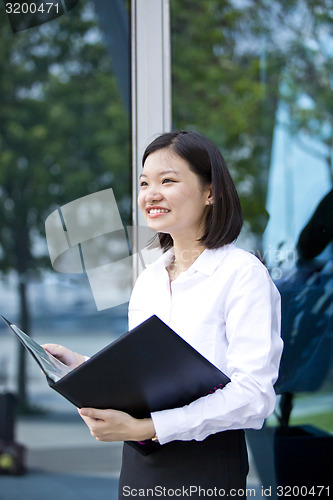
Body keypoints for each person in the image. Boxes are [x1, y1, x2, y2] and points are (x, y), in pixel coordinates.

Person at [43, 131, 283, 498]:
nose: (150, 194)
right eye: (144, 183)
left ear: (211, 192)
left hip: (205, 465)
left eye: (167, 181)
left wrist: (146, 427)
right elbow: (146, 376)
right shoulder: (150, 278)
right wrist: (80, 365)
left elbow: (254, 396)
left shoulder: (242, 274)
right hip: (140, 466)